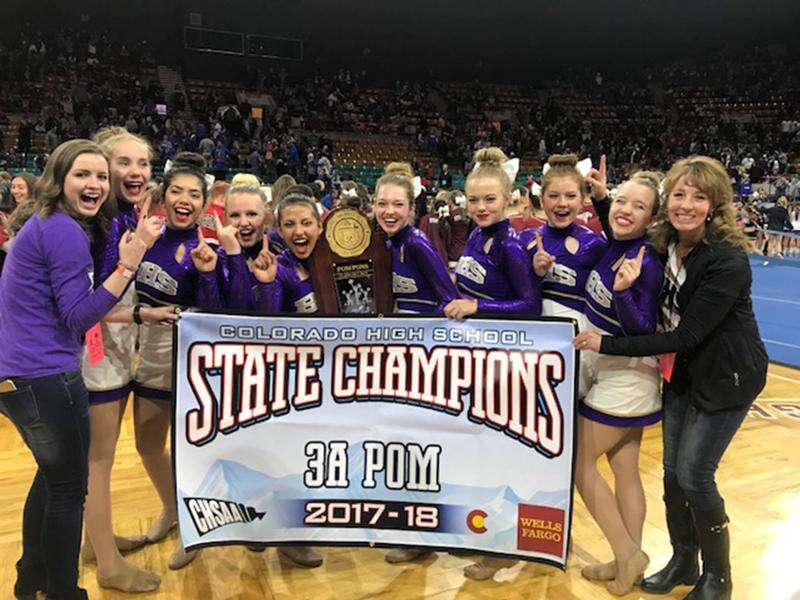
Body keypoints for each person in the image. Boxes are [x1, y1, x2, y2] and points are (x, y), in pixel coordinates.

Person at [574, 156, 768, 600]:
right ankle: (683, 560)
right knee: (671, 474)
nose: (686, 205)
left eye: (699, 197)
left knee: (695, 474)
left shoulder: (727, 261)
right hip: (683, 374)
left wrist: (605, 345)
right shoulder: (666, 241)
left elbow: (685, 336)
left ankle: (718, 576)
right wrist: (604, 200)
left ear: (715, 205)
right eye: (679, 195)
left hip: (727, 379)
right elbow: (626, 227)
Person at [0, 139, 158, 600]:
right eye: (83, 175)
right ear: (58, 178)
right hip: (45, 375)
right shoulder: (65, 232)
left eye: (100, 177)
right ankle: (63, 591)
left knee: (51, 481)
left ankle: (31, 580)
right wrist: (128, 263)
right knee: (69, 491)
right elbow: (77, 316)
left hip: (20, 372)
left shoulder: (47, 222)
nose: (95, 184)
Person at [79, 130, 169, 593]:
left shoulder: (124, 216)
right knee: (97, 461)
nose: (136, 172)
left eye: (143, 163)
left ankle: (93, 543)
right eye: (124, 163)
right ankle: (109, 567)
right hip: (94, 351)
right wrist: (138, 313)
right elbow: (90, 302)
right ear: (104, 166)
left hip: (115, 349)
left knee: (100, 459)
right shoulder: (100, 223)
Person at [130, 153, 224, 571]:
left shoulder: (207, 247)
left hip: (188, 361)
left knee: (190, 452)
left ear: (204, 203)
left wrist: (207, 274)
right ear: (163, 196)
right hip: (146, 353)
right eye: (177, 191)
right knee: (148, 444)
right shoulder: (147, 235)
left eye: (194, 194)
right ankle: (170, 508)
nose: (184, 199)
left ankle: (192, 528)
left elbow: (215, 313)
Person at [575, 171, 664, 596]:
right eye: (621, 200)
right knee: (624, 468)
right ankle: (627, 561)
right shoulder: (618, 240)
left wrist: (624, 291)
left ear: (653, 218)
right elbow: (615, 218)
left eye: (638, 206)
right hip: (614, 367)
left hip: (626, 372)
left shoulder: (647, 262)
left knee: (580, 463)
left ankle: (627, 554)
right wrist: (601, 197)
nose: (625, 210)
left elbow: (643, 329)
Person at [447, 147, 541, 321]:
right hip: (468, 331)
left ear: (506, 199)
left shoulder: (509, 246)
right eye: (473, 200)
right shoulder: (476, 233)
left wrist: (477, 306)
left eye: (490, 199)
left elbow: (531, 306)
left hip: (494, 334)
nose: (481, 207)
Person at [373, 162, 459, 317]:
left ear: (411, 207)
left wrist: (419, 324)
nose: (389, 211)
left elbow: (451, 299)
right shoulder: (383, 243)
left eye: (398, 204)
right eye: (382, 204)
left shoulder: (416, 243)